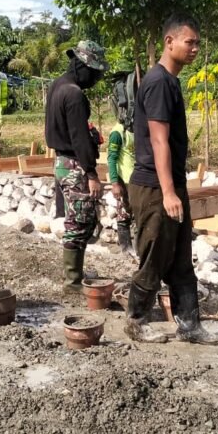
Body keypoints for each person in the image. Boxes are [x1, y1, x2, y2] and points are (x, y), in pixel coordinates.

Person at [124, 13, 218, 346]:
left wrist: (176, 188)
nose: (195, 48)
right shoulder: (158, 82)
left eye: (198, 43)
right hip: (154, 185)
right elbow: (158, 140)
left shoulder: (170, 81)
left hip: (169, 184)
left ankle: (190, 326)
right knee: (155, 255)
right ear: (169, 42)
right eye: (189, 42)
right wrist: (168, 192)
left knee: (181, 258)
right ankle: (136, 320)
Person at [44, 40, 108, 290]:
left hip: (61, 161)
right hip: (73, 164)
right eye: (94, 73)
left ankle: (75, 274)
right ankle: (72, 282)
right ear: (83, 67)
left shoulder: (58, 85)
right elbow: (79, 138)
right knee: (80, 222)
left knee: (76, 218)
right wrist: (91, 173)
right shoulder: (74, 93)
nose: (94, 79)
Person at [107, 71, 138, 258]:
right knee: (124, 214)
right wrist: (114, 182)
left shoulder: (138, 129)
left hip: (137, 179)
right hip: (124, 180)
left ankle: (138, 247)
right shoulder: (117, 133)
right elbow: (111, 158)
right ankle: (125, 248)